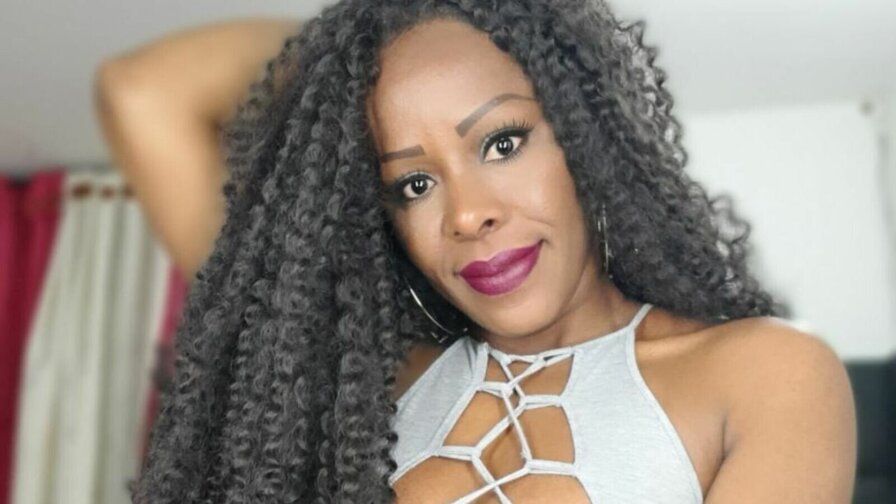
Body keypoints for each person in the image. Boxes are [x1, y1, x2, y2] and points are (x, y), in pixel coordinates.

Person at [95, 1, 857, 503]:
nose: (467, 215)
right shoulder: (365, 386)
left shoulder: (762, 373)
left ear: (585, 140)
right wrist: (351, 59)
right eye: (414, 183)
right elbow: (142, 94)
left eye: (502, 143)